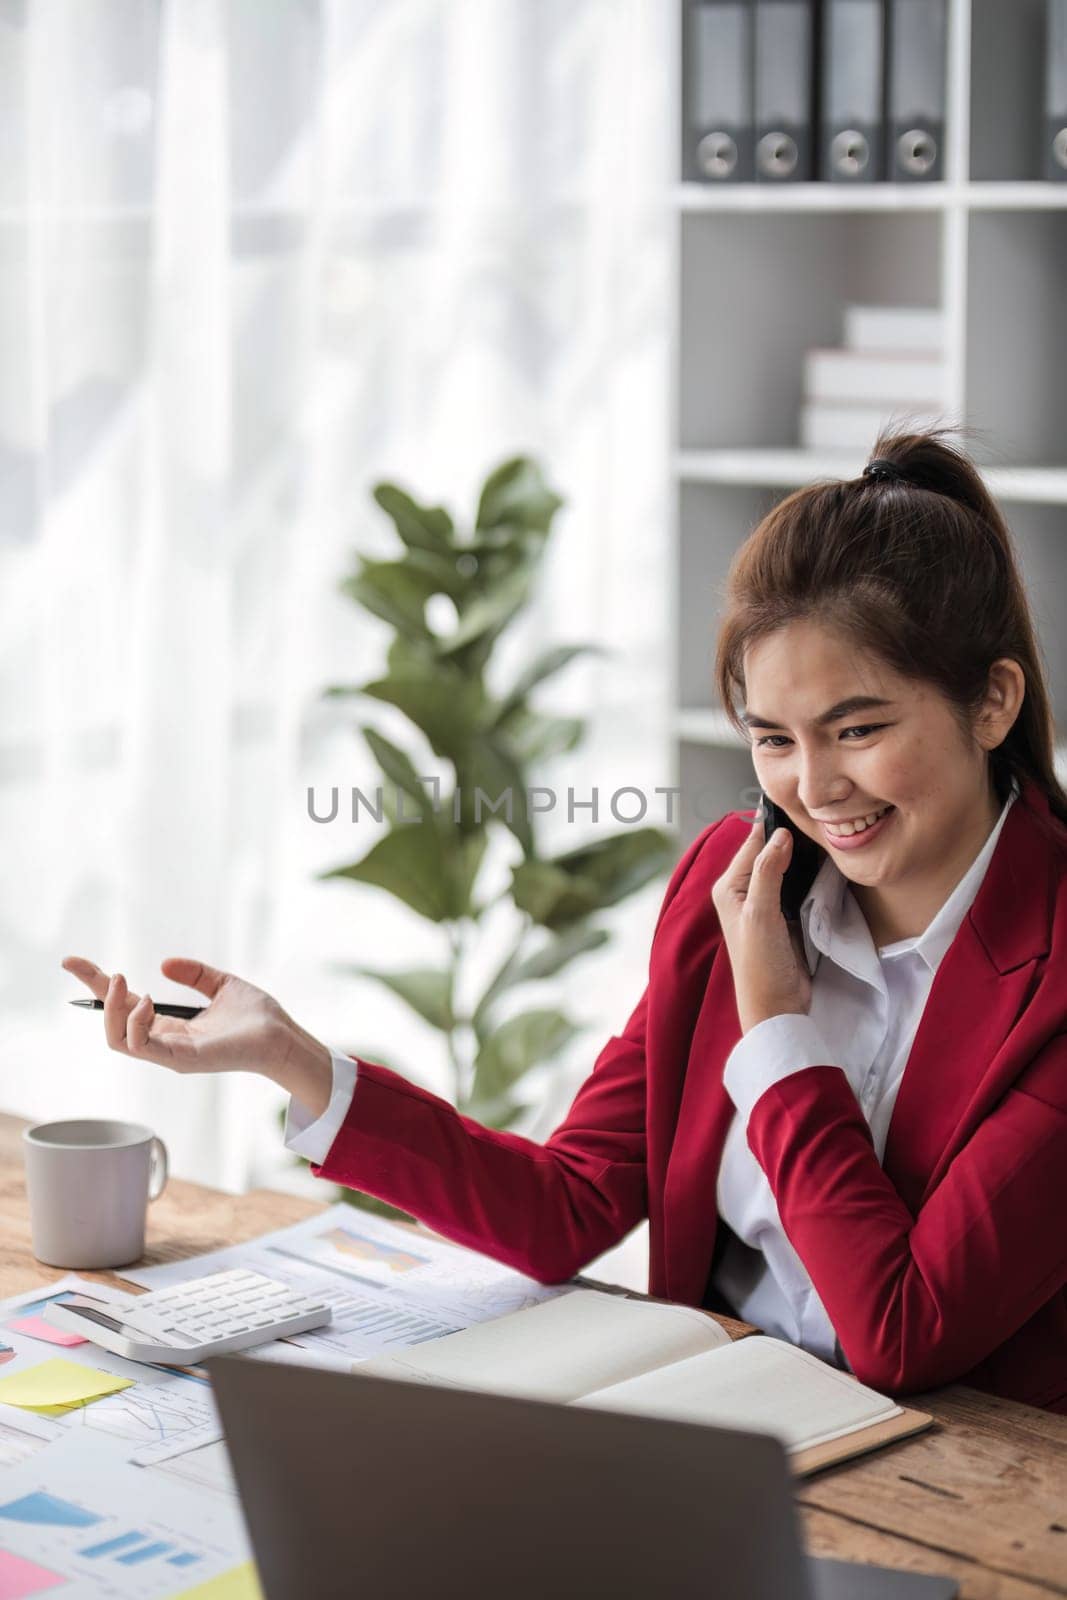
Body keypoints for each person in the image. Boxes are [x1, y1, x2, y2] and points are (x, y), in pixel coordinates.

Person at [64, 428, 1067, 1413]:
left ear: (990, 703)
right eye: (771, 738)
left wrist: (775, 1034)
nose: (811, 785)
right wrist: (295, 1060)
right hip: (714, 1434)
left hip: (965, 1489)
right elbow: (568, 1203)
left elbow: (898, 1330)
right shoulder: (735, 882)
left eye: (857, 729)